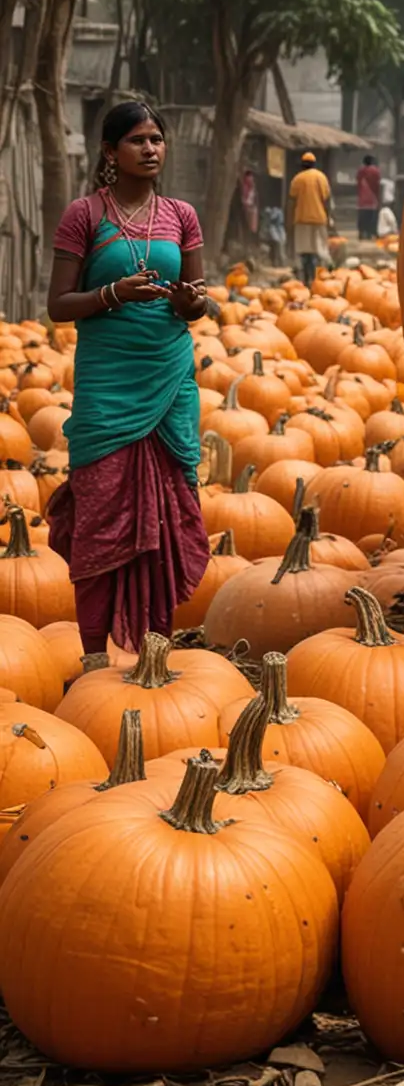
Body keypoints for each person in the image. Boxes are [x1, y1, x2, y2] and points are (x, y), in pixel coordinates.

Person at [45, 101, 211, 667]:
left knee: (166, 516)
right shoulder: (84, 215)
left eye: (157, 139)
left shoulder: (182, 215)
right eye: (138, 140)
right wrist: (113, 294)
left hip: (169, 378)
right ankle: (93, 659)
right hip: (107, 387)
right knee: (98, 515)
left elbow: (196, 300)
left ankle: (154, 655)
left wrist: (194, 303)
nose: (151, 148)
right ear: (110, 152)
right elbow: (57, 306)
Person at [286, 150, 332, 286]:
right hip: (319, 219)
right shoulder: (321, 177)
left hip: (302, 220)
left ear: (302, 165)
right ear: (314, 164)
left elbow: (291, 202)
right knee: (320, 251)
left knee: (305, 252)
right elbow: (327, 201)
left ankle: (308, 279)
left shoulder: (297, 179)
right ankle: (323, 280)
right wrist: (328, 218)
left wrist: (289, 220)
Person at [356, 153, 382, 241]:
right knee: (371, 217)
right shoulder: (375, 171)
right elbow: (376, 185)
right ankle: (370, 233)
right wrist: (378, 197)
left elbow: (358, 184)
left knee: (362, 217)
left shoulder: (360, 171)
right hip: (372, 198)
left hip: (362, 199)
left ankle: (362, 233)